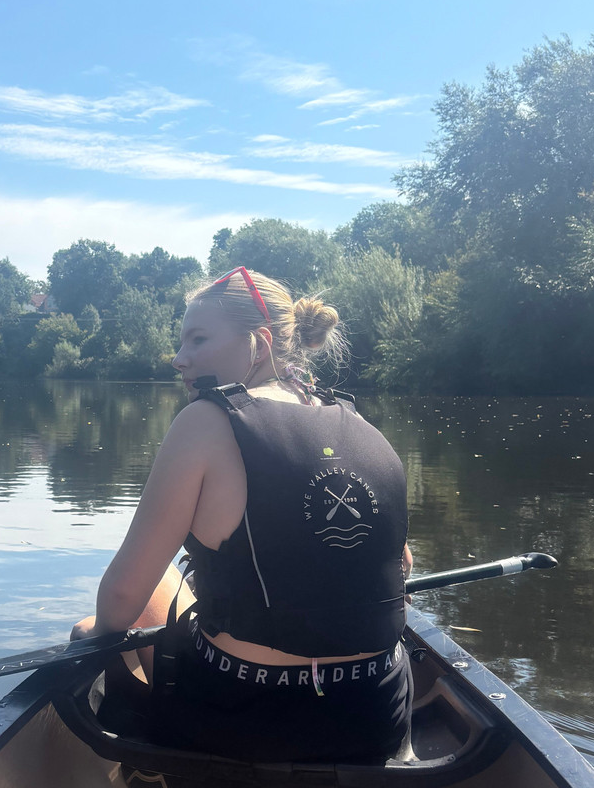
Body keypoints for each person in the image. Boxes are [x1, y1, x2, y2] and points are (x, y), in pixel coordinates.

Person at [71, 267, 414, 763]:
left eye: (198, 339)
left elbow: (125, 596)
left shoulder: (206, 421)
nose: (178, 358)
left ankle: (144, 767)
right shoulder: (356, 419)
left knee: (111, 614)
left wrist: (96, 637)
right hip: (376, 715)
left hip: (246, 720)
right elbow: (399, 566)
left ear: (260, 342)